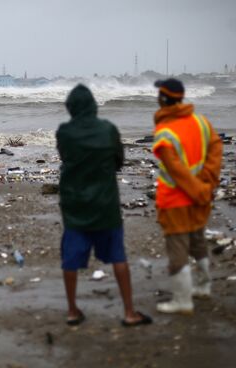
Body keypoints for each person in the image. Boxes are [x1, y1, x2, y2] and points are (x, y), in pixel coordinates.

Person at [56, 84, 152, 327]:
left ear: (71, 107)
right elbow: (119, 160)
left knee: (71, 258)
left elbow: (65, 157)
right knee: (118, 256)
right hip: (105, 203)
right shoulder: (108, 129)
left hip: (75, 204)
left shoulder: (65, 132)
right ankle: (129, 312)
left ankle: (71, 311)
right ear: (93, 106)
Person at [151, 78, 223, 314]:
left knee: (178, 249)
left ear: (163, 99)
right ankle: (203, 286)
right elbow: (215, 149)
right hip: (200, 197)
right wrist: (207, 182)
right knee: (197, 241)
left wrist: (198, 189)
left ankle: (182, 301)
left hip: (176, 201)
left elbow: (177, 171)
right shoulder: (201, 122)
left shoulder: (165, 132)